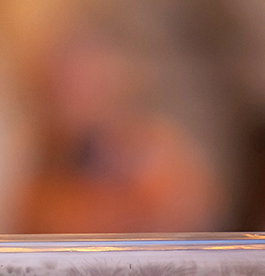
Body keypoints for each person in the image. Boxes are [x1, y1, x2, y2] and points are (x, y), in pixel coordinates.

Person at [20, 37, 219, 234]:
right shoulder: (40, 173)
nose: (72, 100)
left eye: (85, 84)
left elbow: (191, 210)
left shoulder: (149, 147)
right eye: (59, 89)